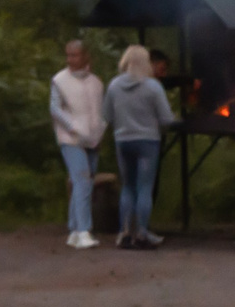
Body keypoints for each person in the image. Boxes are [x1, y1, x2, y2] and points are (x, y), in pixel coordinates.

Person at [103, 44, 176, 250]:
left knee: (128, 186)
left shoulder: (114, 86)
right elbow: (166, 118)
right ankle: (142, 233)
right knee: (144, 187)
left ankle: (125, 232)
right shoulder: (153, 87)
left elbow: (106, 115)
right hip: (147, 142)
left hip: (123, 141)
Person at [50, 41, 107, 250]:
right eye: (68, 56)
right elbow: (55, 109)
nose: (70, 60)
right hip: (71, 138)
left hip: (93, 137)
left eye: (75, 55)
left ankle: (74, 229)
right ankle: (84, 230)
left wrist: (100, 132)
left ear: (85, 56)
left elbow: (101, 111)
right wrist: (73, 127)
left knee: (86, 182)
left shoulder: (96, 83)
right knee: (81, 179)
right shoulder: (59, 80)